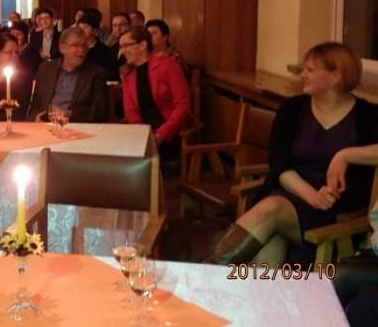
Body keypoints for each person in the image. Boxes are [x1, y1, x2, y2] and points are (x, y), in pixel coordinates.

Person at [207, 42, 378, 266]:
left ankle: (206, 272)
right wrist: (313, 197)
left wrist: (345, 155)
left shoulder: (367, 116)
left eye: (310, 70)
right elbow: (280, 167)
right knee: (268, 246)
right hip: (292, 196)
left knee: (271, 217)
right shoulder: (292, 109)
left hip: (336, 214)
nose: (302, 75)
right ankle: (210, 272)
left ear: (336, 76)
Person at [118, 27, 190, 157]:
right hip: (143, 131)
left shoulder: (168, 66)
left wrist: (160, 134)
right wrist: (140, 132)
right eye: (121, 47)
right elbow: (130, 110)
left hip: (170, 129)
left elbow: (183, 106)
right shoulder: (128, 74)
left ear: (142, 45)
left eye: (126, 46)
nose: (122, 51)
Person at [28, 27, 109, 123]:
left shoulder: (96, 73)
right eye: (75, 45)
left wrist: (66, 114)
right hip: (45, 125)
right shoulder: (45, 69)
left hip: (76, 126)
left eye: (84, 45)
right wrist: (36, 117)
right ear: (62, 48)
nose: (81, 50)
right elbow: (35, 105)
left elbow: (99, 112)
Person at [77, 11, 117, 81]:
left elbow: (110, 74)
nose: (81, 31)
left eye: (85, 27)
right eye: (79, 28)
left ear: (94, 31)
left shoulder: (105, 51)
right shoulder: (75, 48)